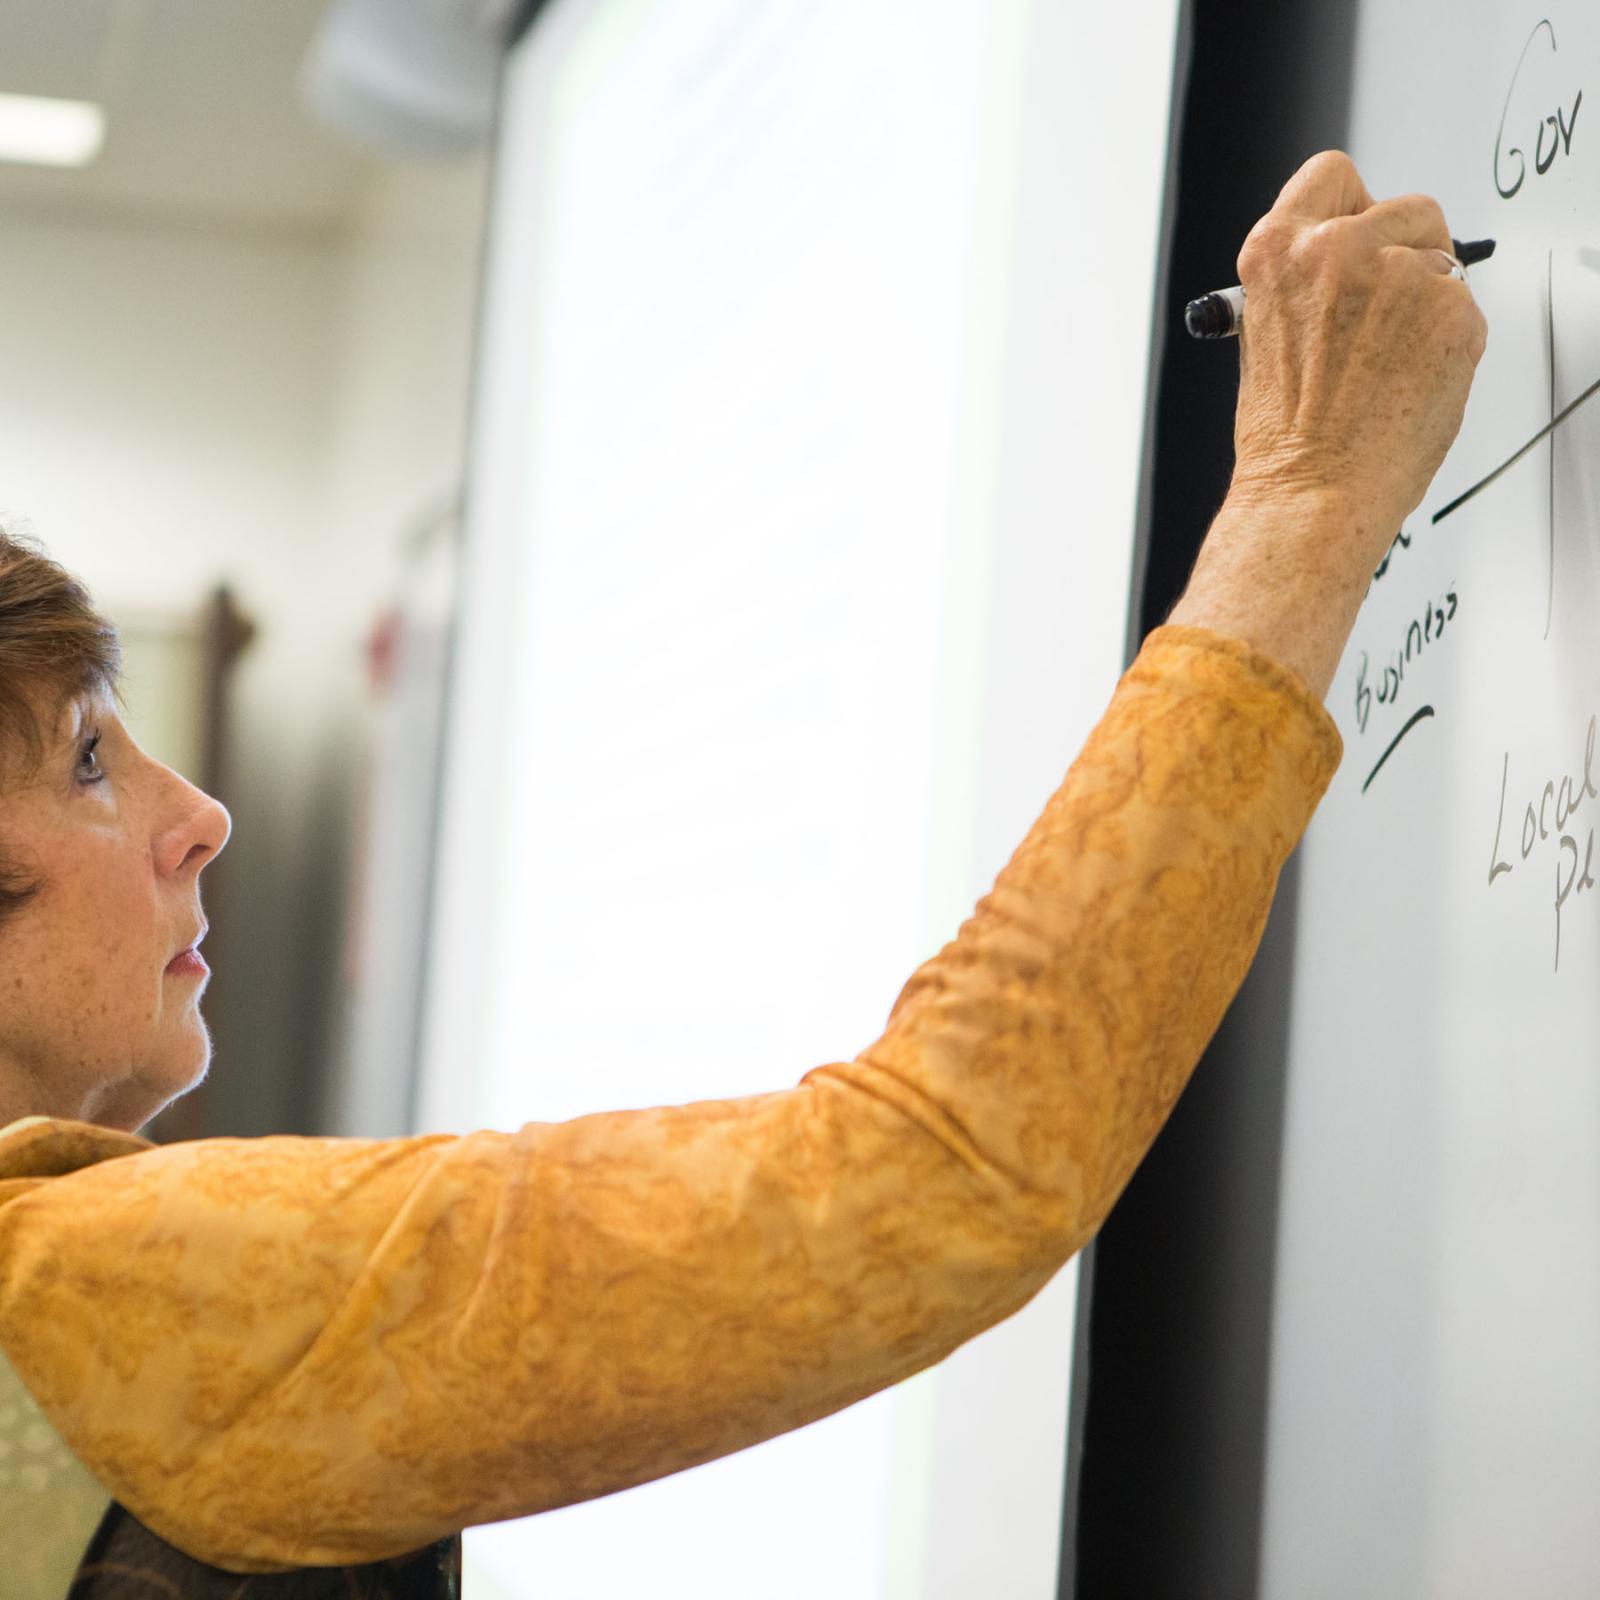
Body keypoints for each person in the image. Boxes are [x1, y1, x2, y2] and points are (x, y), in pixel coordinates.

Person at [0, 149, 1484, 1595]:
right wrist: (1298, 500)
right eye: (84, 762)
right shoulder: (79, 1288)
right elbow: (926, 1181)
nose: (198, 813)